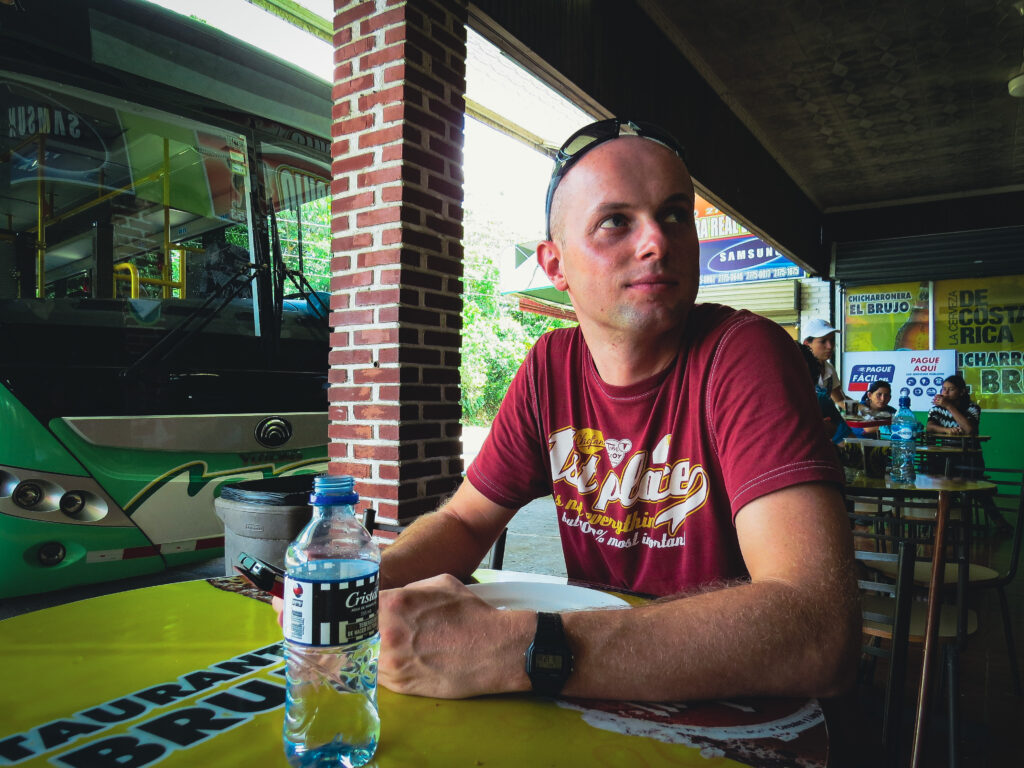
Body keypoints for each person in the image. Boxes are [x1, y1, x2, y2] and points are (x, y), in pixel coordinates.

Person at [281, 119, 859, 703]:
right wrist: (355, 589)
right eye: (616, 222)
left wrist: (521, 647)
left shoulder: (742, 354)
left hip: (732, 713)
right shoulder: (549, 367)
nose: (657, 240)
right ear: (555, 267)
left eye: (676, 215)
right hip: (595, 696)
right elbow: (464, 523)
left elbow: (817, 629)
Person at [926, 374, 1011, 534]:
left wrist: (950, 407)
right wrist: (947, 430)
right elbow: (929, 427)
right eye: (944, 389)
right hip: (945, 459)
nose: (945, 393)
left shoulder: (972, 408)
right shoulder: (937, 408)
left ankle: (995, 522)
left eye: (950, 390)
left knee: (975, 487)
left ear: (962, 391)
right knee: (939, 482)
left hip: (970, 459)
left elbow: (970, 429)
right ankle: (943, 523)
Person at [802, 318, 849, 406]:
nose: (830, 346)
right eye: (823, 341)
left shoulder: (829, 369)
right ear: (807, 344)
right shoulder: (799, 369)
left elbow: (840, 399)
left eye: (832, 340)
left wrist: (867, 410)